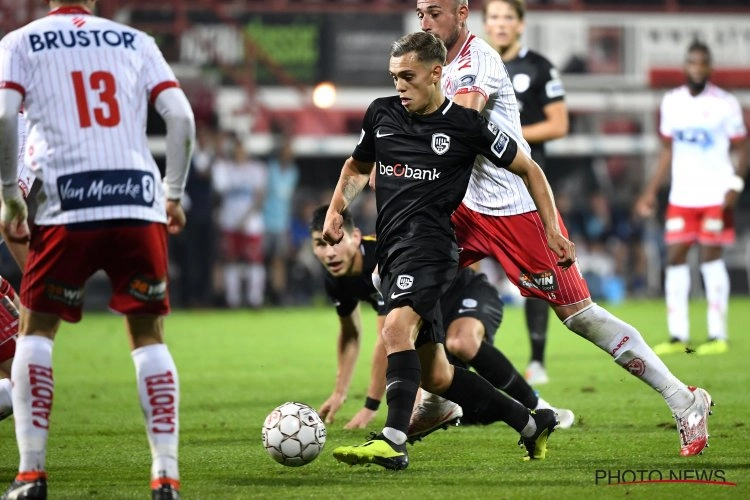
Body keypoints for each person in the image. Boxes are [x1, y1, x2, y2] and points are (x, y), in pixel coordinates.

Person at [416, 0, 712, 458]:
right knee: (412, 278)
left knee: (580, 316)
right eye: (419, 13)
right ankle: (435, 396)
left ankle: (684, 399)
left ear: (461, 12)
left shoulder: (478, 61)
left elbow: (460, 126)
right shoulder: (435, 63)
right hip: (468, 207)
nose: (425, 21)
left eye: (434, 11)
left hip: (516, 209)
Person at [324, 31, 562, 471]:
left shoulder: (467, 126)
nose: (399, 85)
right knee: (437, 375)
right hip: (392, 253)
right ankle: (531, 423)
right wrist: (338, 207)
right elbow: (357, 165)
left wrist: (552, 229)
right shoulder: (381, 114)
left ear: (436, 74)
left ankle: (393, 441)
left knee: (395, 329)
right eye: (394, 76)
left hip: (432, 249)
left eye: (408, 77)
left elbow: (529, 168)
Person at [0, 2, 195, 500]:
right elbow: (180, 117)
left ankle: (31, 474)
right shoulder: (135, 41)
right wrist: (172, 192)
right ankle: (166, 477)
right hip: (137, 199)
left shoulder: (21, 41)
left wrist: (8, 192)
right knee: (149, 336)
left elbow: (4, 114)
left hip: (69, 202)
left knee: (37, 331)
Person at [310, 205, 575, 433]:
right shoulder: (335, 279)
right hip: (432, 322)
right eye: (320, 244)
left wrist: (370, 407)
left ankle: (540, 406)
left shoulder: (381, 257)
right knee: (445, 395)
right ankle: (522, 420)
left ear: (355, 237)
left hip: (467, 293)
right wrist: (339, 392)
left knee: (462, 342)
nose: (329, 253)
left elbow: (388, 341)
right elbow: (350, 334)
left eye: (335, 241)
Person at [635, 40, 748, 356]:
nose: (697, 68)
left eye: (703, 63)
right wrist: (650, 191)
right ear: (685, 66)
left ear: (710, 67)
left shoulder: (726, 103)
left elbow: (743, 146)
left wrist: (735, 185)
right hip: (682, 194)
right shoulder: (672, 102)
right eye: (692, 62)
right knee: (675, 257)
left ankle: (717, 334)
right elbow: (668, 150)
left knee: (711, 257)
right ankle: (677, 335)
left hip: (715, 193)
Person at [483, 0, 569, 385]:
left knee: (537, 274)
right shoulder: (474, 63)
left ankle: (537, 360)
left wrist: (506, 139)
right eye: (494, 18)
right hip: (478, 186)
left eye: (507, 18)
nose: (500, 24)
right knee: (462, 269)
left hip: (526, 185)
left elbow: (559, 124)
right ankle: (471, 351)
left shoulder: (538, 67)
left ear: (521, 25)